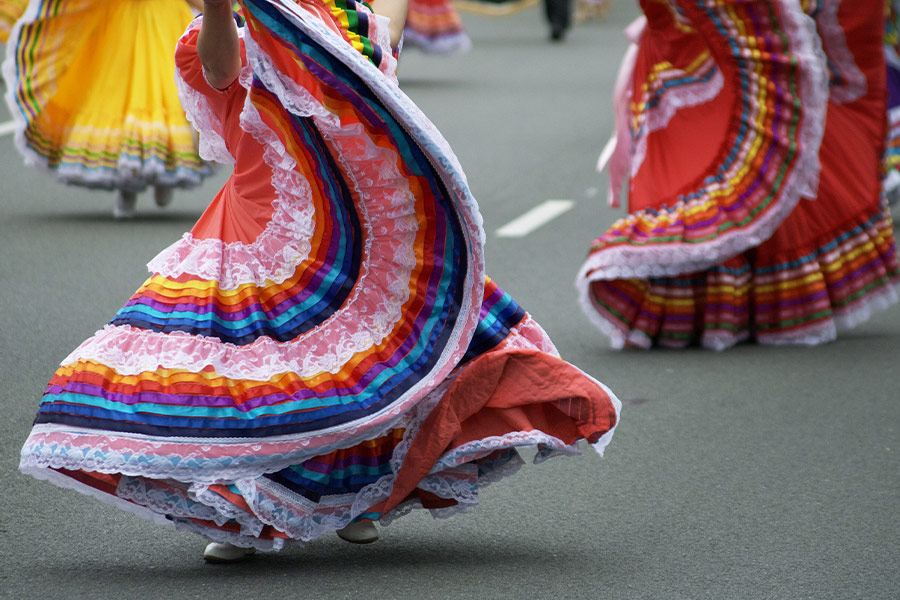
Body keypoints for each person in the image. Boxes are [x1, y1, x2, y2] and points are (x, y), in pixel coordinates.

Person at [19, 0, 621, 562]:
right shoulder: (216, 35)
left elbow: (382, 52)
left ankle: (353, 496)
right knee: (261, 373)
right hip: (261, 226)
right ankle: (248, 507)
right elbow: (221, 64)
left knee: (364, 359)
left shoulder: (344, 22)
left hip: (352, 227)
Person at [577, 0, 900, 350]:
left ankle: (729, 299)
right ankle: (725, 296)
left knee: (755, 152)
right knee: (707, 153)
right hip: (691, 33)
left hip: (708, 31)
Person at [3, 0, 212, 218]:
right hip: (123, 24)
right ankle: (127, 187)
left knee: (169, 90)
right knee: (121, 94)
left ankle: (164, 176)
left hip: (166, 21)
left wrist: (213, 9)